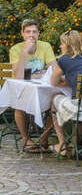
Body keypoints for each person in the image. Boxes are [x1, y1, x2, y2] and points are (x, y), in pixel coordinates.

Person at [10, 19, 57, 153]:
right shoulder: (16, 49)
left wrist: (33, 74)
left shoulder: (45, 46)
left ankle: (44, 137)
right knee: (20, 105)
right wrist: (25, 52)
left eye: (34, 32)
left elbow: (53, 69)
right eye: (28, 32)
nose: (31, 35)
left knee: (57, 102)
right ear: (22, 34)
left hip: (40, 88)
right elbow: (18, 75)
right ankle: (26, 139)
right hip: (20, 89)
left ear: (39, 33)